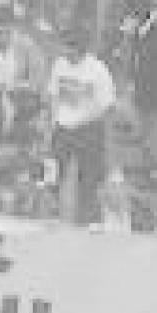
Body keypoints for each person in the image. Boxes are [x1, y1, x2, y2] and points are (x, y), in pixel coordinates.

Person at [45, 28, 117, 223]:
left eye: (69, 49)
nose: (65, 52)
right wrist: (50, 126)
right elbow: (53, 96)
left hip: (89, 130)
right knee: (50, 176)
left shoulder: (98, 70)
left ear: (80, 50)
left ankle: (86, 222)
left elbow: (108, 108)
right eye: (64, 47)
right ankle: (48, 215)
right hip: (62, 129)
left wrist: (107, 144)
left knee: (88, 183)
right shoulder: (59, 65)